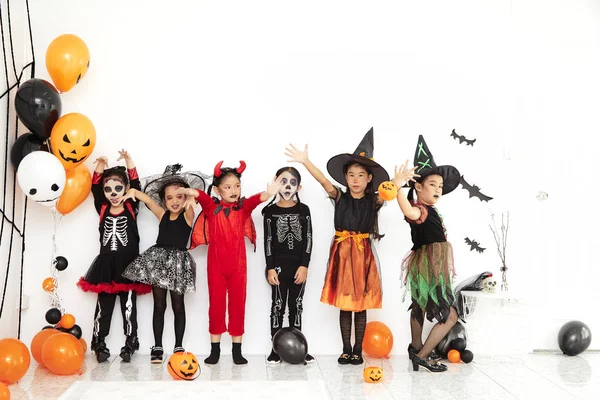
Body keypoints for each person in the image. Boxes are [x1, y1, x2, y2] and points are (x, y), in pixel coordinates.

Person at [285, 128, 389, 365]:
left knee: (360, 305)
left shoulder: (374, 201)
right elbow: (323, 180)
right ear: (345, 178)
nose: (355, 180)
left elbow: (388, 192)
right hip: (342, 254)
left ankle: (358, 350)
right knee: (345, 304)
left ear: (369, 178)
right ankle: (345, 349)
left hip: (362, 255)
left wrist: (399, 182)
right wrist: (306, 161)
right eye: (351, 175)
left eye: (361, 175)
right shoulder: (339, 197)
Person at [181, 160, 280, 365]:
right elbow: (203, 197)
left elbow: (254, 201)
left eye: (237, 186)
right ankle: (215, 350)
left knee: (238, 305)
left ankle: (237, 350)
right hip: (215, 267)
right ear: (218, 190)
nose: (234, 190)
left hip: (238, 267)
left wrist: (268, 194)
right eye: (228, 187)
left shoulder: (242, 209)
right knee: (215, 306)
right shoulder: (212, 208)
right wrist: (191, 192)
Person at [122, 164, 206, 363]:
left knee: (178, 306)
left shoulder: (188, 214)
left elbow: (193, 199)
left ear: (185, 199)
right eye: (169, 198)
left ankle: (178, 345)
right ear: (164, 200)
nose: (174, 201)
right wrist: (133, 191)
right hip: (158, 263)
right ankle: (157, 345)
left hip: (178, 263)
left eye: (179, 197)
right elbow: (148, 200)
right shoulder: (163, 214)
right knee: (159, 306)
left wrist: (189, 194)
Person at [393, 135, 461, 372]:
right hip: (429, 269)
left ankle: (415, 346)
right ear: (418, 187)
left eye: (440, 186)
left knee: (419, 306)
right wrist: (397, 186)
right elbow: (408, 211)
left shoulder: (429, 210)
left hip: (425, 267)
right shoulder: (419, 210)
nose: (438, 189)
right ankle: (421, 356)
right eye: (433, 184)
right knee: (450, 316)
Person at [77, 150, 151, 363]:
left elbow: (136, 184)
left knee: (129, 307)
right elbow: (95, 187)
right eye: (108, 189)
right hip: (106, 265)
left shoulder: (131, 205)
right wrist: (100, 165)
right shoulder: (103, 207)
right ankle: (99, 343)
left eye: (118, 188)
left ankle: (131, 343)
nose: (113, 193)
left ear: (126, 190)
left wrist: (129, 160)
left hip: (129, 265)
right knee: (104, 307)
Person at [262, 166, 314, 364]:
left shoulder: (304, 210)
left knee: (296, 306)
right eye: (283, 181)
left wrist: (305, 265)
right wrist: (270, 267)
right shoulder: (270, 212)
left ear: (299, 187)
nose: (287, 186)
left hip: (298, 267)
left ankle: (299, 348)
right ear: (276, 183)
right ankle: (276, 348)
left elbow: (308, 238)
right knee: (277, 306)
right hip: (278, 267)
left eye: (292, 183)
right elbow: (268, 241)